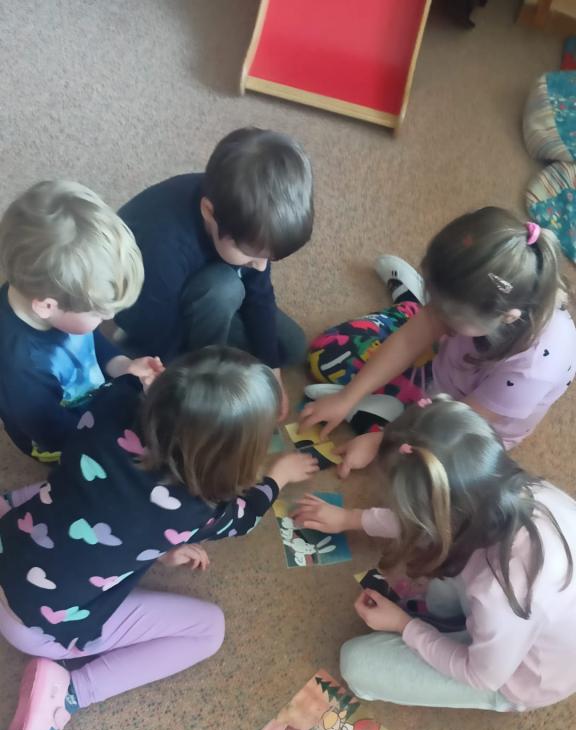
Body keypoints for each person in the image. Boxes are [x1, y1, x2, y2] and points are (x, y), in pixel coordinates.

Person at [0, 347, 319, 730]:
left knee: (77, 487)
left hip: (10, 544)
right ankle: (70, 694)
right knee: (208, 630)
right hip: (38, 626)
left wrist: (136, 376)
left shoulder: (111, 403)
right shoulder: (201, 510)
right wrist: (279, 474)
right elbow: (246, 516)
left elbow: (126, 381)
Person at [294, 396, 576, 712]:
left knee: (356, 663)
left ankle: (448, 630)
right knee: (438, 588)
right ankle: (449, 623)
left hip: (518, 677)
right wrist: (351, 519)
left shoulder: (499, 594)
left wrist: (405, 626)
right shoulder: (520, 489)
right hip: (516, 621)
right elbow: (425, 520)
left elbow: (481, 676)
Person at [299, 208, 576, 476]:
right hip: (444, 365)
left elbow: (459, 423)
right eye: (434, 300)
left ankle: (392, 412)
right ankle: (412, 303)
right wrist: (347, 398)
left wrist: (381, 441)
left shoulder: (532, 370)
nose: (437, 313)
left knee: (425, 475)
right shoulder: (474, 289)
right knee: (327, 355)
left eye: (447, 313)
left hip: (468, 421)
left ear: (506, 317)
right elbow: (410, 339)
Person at [114, 127, 315, 418]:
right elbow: (158, 332)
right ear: (209, 213)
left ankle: (212, 341)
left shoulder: (251, 219)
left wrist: (272, 369)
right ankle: (135, 346)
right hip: (146, 309)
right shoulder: (162, 244)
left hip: (199, 288)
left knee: (291, 346)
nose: (261, 266)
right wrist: (201, 384)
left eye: (267, 258)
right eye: (253, 255)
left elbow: (259, 294)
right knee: (224, 289)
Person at [0, 180, 158, 462]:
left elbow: (89, 341)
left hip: (87, 397)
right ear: (46, 306)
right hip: (58, 437)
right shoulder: (20, 368)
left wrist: (124, 366)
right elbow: (53, 433)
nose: (109, 318)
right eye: (98, 313)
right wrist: (112, 439)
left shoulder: (57, 305)